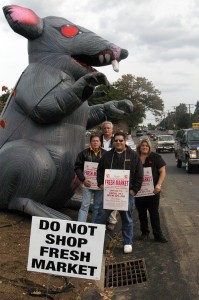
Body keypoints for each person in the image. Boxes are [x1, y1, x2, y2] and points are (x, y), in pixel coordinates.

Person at [96, 132, 143, 254]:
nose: (118, 142)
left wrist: (134, 190)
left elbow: (139, 175)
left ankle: (127, 242)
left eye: (121, 140)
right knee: (101, 217)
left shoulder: (133, 156)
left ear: (125, 141)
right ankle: (96, 240)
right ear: (113, 141)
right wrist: (100, 184)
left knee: (127, 219)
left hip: (127, 194)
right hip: (109, 195)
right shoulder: (107, 156)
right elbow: (100, 171)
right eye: (116, 140)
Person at [135, 139, 168, 243]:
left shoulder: (156, 157)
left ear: (149, 147)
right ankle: (144, 233)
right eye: (143, 146)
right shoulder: (135, 158)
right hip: (139, 192)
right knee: (141, 213)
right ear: (139, 147)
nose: (144, 147)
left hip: (153, 191)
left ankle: (158, 235)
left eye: (146, 146)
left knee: (154, 213)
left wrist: (159, 185)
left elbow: (162, 172)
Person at [74, 134, 106, 223]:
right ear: (90, 142)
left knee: (97, 206)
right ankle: (80, 226)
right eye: (93, 141)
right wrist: (83, 179)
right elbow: (77, 168)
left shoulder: (106, 154)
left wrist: (104, 182)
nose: (95, 143)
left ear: (100, 143)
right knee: (84, 206)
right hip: (87, 183)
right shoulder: (83, 153)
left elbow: (109, 169)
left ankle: (94, 226)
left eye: (97, 141)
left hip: (100, 185)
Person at [100, 121, 118, 231]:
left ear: (112, 130)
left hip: (114, 173)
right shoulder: (97, 140)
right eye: (105, 128)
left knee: (114, 196)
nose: (106, 130)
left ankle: (112, 220)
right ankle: (102, 219)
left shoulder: (117, 141)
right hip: (101, 171)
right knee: (101, 198)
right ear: (102, 129)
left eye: (108, 128)